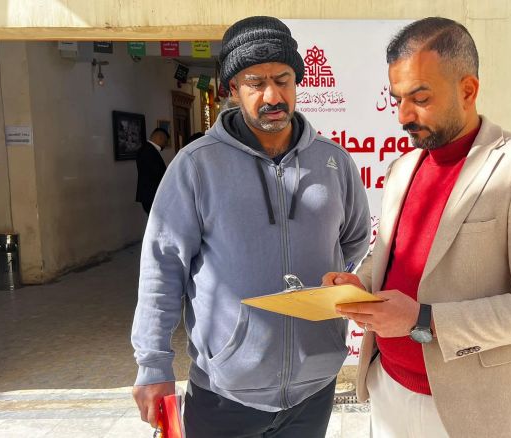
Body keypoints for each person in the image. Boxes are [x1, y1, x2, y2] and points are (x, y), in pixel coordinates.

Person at [324, 17, 511, 438]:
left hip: (474, 410)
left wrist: (424, 318)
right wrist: (359, 283)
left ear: (468, 90)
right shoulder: (403, 168)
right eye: (397, 99)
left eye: (420, 98)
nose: (403, 115)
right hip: (387, 387)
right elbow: (389, 255)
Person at [131, 16, 370, 438]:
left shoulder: (333, 161)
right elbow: (163, 269)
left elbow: (353, 241)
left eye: (283, 80)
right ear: (233, 89)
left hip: (314, 388)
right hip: (224, 393)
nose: (272, 95)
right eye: (255, 83)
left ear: (297, 82)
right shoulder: (196, 166)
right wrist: (153, 365)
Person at [135, 127, 169, 214]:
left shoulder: (146, 149)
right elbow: (156, 173)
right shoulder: (149, 151)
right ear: (160, 137)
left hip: (149, 194)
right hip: (152, 195)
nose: (165, 145)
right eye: (165, 141)